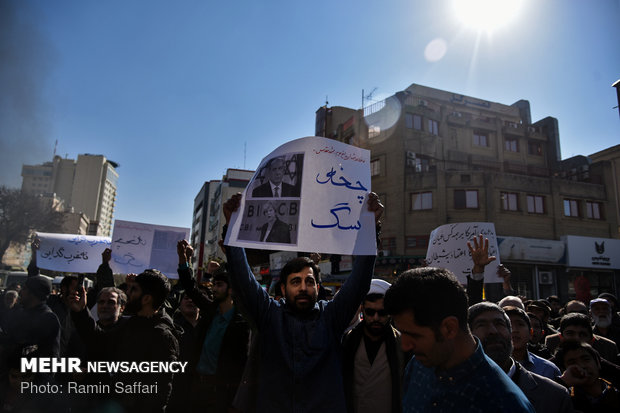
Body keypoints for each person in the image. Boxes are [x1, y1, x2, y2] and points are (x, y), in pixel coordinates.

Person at [221, 192, 381, 412]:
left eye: (309, 281)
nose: (303, 287)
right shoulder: (269, 315)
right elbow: (242, 280)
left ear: (317, 287)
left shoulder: (331, 317)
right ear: (284, 289)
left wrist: (370, 228)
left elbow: (360, 282)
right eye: (296, 282)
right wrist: (232, 227)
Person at [383, 267, 535, 413]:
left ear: (449, 328)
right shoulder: (418, 366)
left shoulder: (503, 403)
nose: (405, 346)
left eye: (415, 335)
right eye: (402, 333)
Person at [69, 269, 179, 413]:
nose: (128, 294)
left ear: (146, 299)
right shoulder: (131, 324)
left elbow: (160, 391)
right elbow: (99, 341)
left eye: (134, 290)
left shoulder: (162, 336)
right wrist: (81, 311)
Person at [177, 240, 250, 413]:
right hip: (197, 385)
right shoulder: (210, 311)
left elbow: (242, 364)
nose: (214, 289)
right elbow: (190, 287)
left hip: (221, 393)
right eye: (214, 284)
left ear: (231, 290)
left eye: (219, 285)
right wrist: (183, 259)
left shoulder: (241, 322)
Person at [468, 302, 573, 413]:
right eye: (481, 325)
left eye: (500, 324)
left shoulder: (554, 395)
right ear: (467, 336)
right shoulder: (452, 392)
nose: (493, 331)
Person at [342, 279, 407, 413]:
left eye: (382, 313)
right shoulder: (349, 340)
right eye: (370, 312)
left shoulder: (401, 343)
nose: (376, 318)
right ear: (362, 310)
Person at [555, 340, 620, 412]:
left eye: (586, 359)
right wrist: (563, 382)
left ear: (598, 363)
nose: (582, 366)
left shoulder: (615, 390)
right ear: (565, 370)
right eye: (572, 363)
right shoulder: (565, 401)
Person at [503, 306, 562, 379]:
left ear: (530, 332)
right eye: (508, 325)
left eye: (520, 324)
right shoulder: (488, 367)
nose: (514, 330)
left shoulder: (548, 369)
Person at [545, 313, 619, 364]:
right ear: (561, 337)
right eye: (570, 333)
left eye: (582, 334)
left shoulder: (609, 349)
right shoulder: (551, 366)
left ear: (592, 339)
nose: (577, 338)